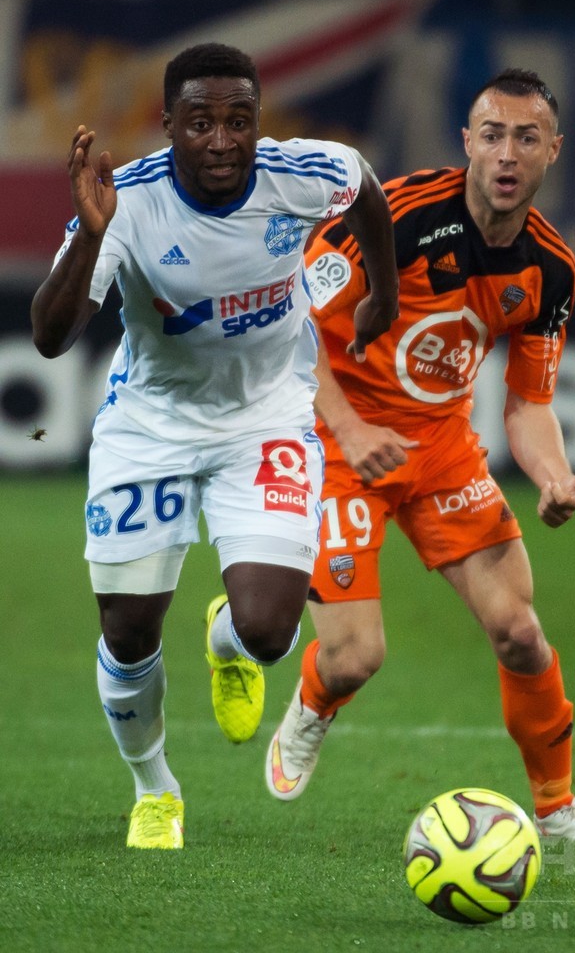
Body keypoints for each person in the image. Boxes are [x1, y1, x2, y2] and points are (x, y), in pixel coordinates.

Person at [31, 42, 399, 850]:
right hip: (151, 426)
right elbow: (50, 337)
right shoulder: (126, 203)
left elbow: (366, 186)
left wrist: (384, 290)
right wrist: (91, 236)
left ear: (259, 120)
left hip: (267, 419)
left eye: (240, 120)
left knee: (269, 632)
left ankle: (225, 638)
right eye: (201, 123)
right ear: (168, 125)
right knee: (128, 630)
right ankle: (154, 789)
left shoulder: (302, 174)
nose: (224, 140)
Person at [263, 68, 575, 842]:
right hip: (337, 441)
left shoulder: (550, 268)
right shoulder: (393, 218)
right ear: (467, 142)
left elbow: (529, 404)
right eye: (492, 135)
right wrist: (352, 430)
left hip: (441, 451)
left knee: (521, 633)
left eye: (526, 138)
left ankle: (557, 808)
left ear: (554, 150)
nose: (507, 153)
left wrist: (552, 476)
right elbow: (288, 326)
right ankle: (312, 704)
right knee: (355, 658)